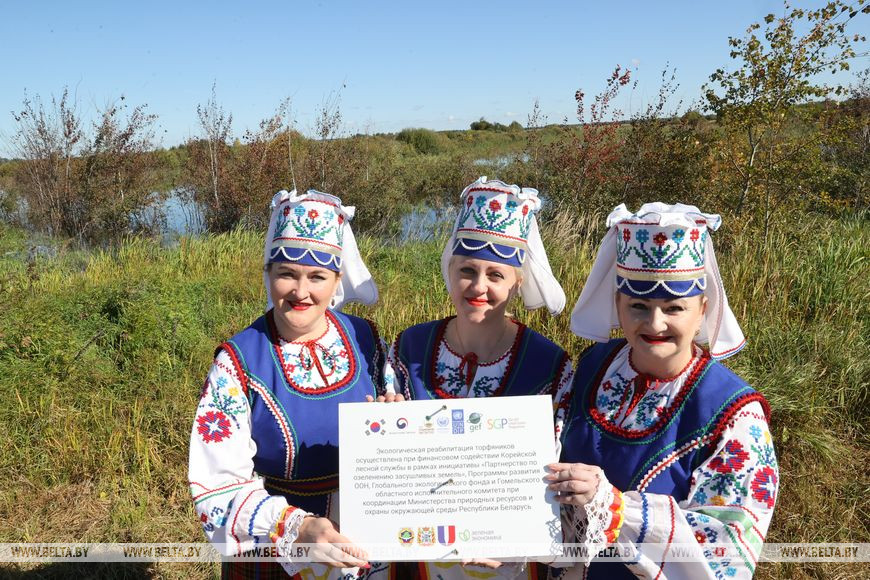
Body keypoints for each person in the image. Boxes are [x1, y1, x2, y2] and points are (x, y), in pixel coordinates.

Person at [548, 203, 778, 579]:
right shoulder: (593, 366)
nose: (655, 324)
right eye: (638, 306)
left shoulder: (734, 414)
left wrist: (616, 509)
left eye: (674, 308)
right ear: (618, 304)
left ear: (702, 310)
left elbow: (727, 551)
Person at [188, 189, 393, 579]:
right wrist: (295, 526)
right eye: (287, 274)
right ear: (268, 274)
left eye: (317, 277)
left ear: (337, 280)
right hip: (277, 552)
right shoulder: (238, 362)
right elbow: (216, 485)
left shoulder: (366, 340)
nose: (301, 292)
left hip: (364, 540)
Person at [388, 177, 574, 579]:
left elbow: (552, 469)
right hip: (422, 548)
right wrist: (385, 423)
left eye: (495, 275)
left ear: (517, 282)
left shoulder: (549, 364)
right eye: (467, 270)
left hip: (509, 558)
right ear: (449, 270)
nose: (478, 287)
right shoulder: (410, 347)